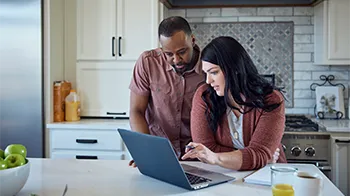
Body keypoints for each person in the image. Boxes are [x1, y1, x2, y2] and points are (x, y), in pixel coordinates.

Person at [181, 36, 287, 171]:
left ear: (234, 68)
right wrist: (255, 157)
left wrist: (217, 157)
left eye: (213, 72)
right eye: (206, 73)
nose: (208, 81)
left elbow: (259, 154)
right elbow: (205, 150)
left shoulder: (271, 100)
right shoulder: (204, 96)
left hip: (268, 175)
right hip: (223, 174)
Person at [128, 16, 205, 165]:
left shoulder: (208, 66)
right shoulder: (147, 62)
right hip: (158, 153)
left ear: (193, 41)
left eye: (182, 52)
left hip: (198, 156)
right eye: (168, 54)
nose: (176, 60)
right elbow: (136, 110)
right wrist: (146, 150)